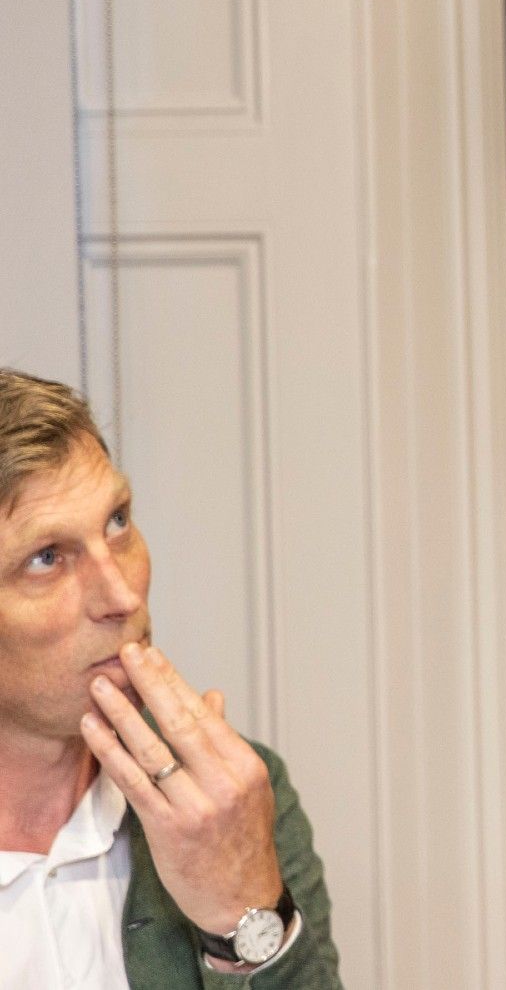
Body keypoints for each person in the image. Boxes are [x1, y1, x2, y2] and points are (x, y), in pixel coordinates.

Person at [0, 369, 341, 987]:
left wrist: (244, 914)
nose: (123, 593)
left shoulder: (227, 801)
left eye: (118, 522)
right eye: (46, 558)